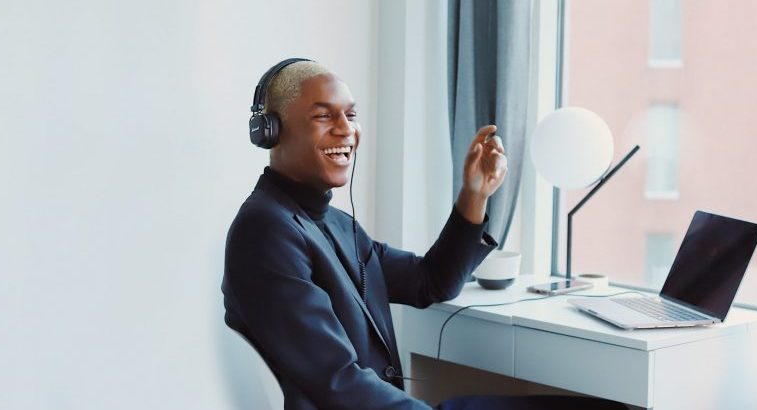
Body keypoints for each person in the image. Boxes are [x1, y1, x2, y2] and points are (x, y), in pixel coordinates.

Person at [222, 59, 625, 410]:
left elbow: (429, 281)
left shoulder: (333, 223)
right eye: (323, 116)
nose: (347, 130)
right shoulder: (266, 230)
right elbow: (336, 382)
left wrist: (474, 195)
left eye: (351, 114)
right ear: (271, 132)